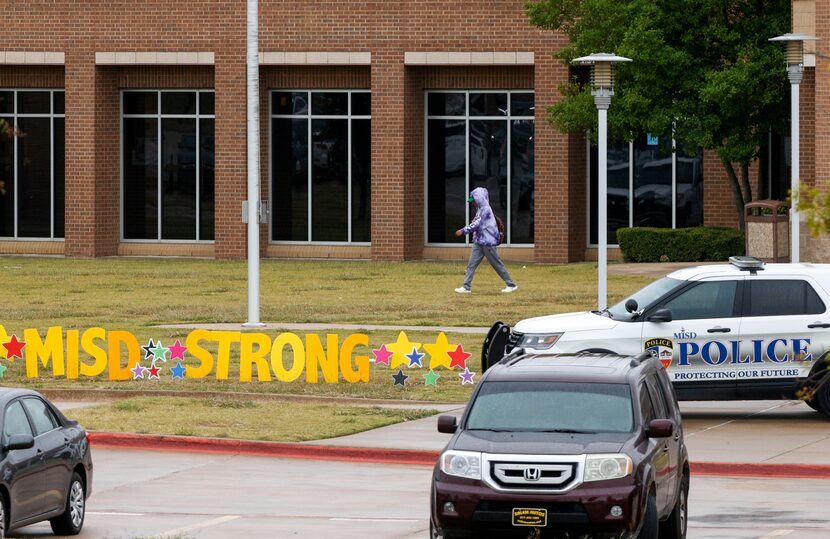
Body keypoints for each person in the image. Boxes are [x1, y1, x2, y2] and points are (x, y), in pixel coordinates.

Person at [455, 187, 518, 294]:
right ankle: (466, 287)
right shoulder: (479, 209)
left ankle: (511, 284)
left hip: (487, 243)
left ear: (479, 198)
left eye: (473, 200)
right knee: (471, 264)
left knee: (496, 264)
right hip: (479, 242)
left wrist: (463, 231)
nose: (473, 203)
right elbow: (476, 222)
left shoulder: (486, 210)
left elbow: (477, 224)